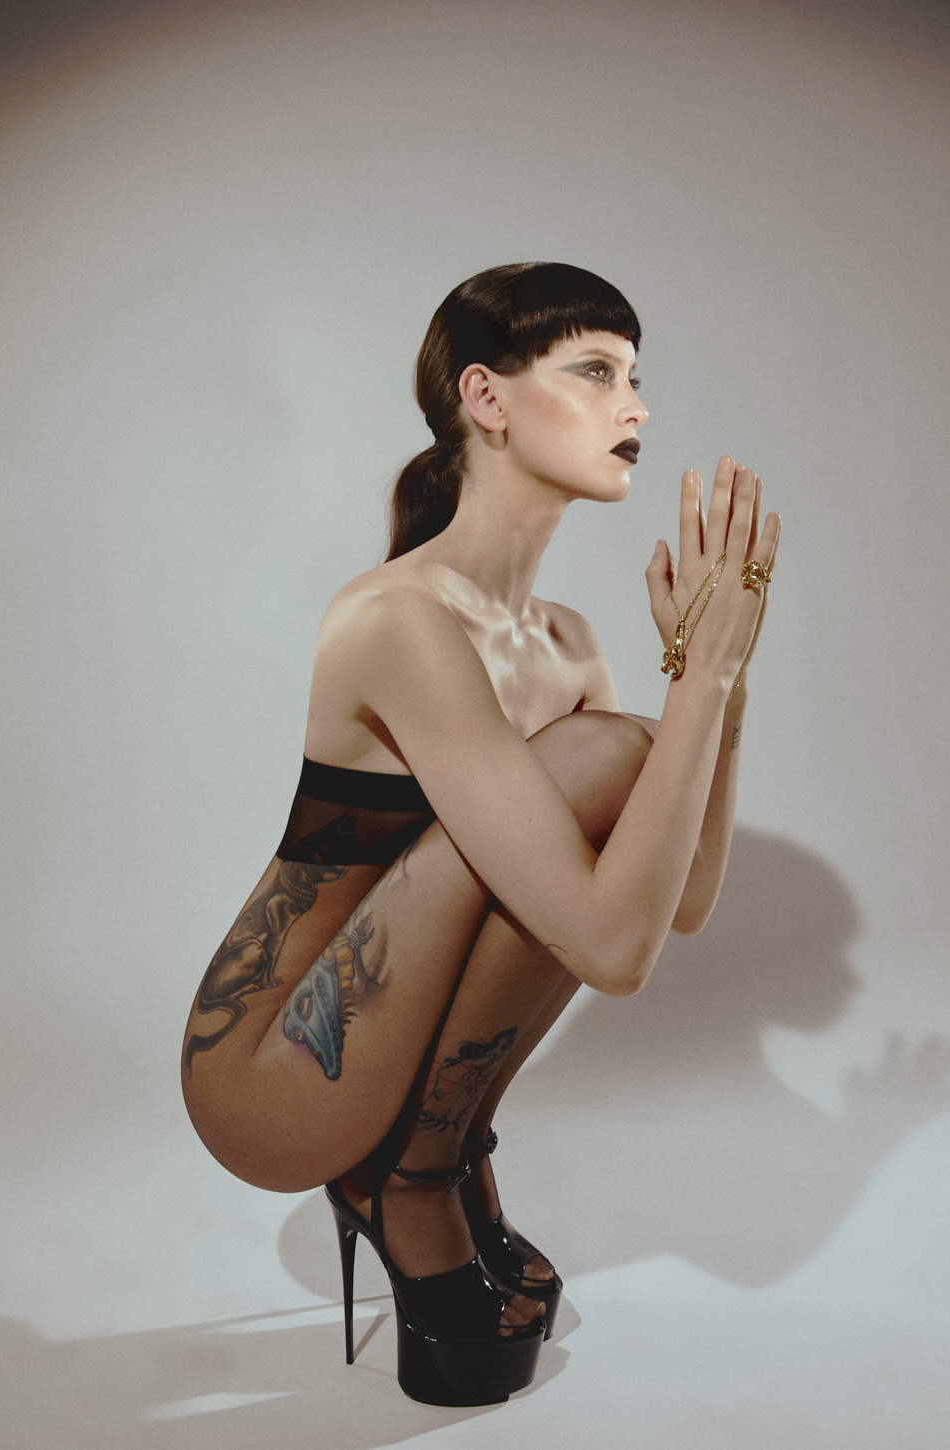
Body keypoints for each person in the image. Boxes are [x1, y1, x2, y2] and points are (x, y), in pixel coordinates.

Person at [180, 262, 780, 1406]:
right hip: (269, 1064)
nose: (635, 405)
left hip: (375, 1052)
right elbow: (612, 950)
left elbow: (677, 902)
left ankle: (434, 1159)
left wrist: (723, 678)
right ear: (487, 397)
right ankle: (407, 1180)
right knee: (606, 756)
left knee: (605, 772)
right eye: (595, 371)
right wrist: (692, 681)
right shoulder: (397, 619)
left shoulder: (567, 641)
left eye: (635, 377)